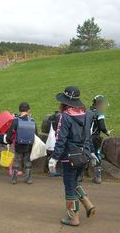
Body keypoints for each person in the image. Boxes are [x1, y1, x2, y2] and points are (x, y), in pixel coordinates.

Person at [48, 86, 96, 227]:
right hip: (84, 155)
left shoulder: (65, 117)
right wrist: (91, 152)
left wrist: (54, 158)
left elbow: (60, 140)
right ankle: (88, 204)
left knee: (69, 186)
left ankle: (73, 218)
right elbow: (89, 136)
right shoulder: (88, 114)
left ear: (65, 102)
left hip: (70, 157)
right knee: (75, 183)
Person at [6, 102, 38, 184]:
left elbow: (10, 133)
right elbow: (36, 134)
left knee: (16, 161)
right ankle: (29, 178)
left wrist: (8, 141)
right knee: (27, 161)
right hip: (29, 145)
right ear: (29, 110)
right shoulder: (32, 120)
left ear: (19, 110)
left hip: (18, 144)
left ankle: (14, 179)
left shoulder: (15, 121)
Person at [90, 95, 110, 184]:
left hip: (85, 137)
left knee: (85, 154)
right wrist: (107, 132)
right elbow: (102, 127)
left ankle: (79, 176)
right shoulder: (100, 114)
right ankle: (97, 177)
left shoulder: (87, 112)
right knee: (96, 154)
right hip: (95, 137)